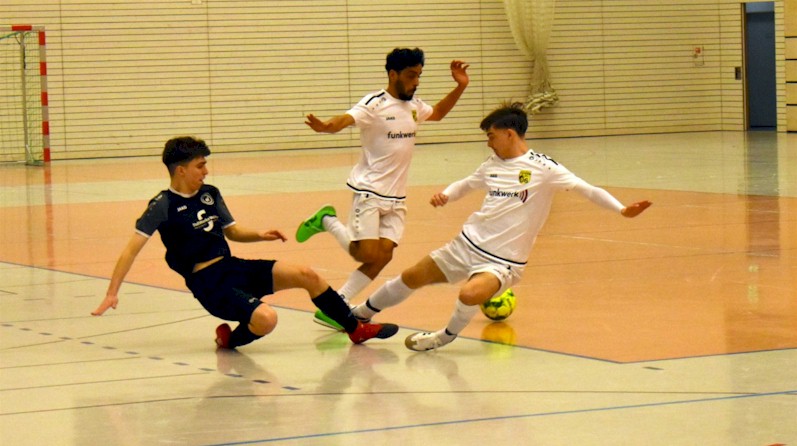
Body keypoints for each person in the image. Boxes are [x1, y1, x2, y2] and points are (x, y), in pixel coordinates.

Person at [348, 102, 652, 351]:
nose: (488, 142)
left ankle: (444, 336)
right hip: (466, 245)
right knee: (411, 276)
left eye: (491, 136)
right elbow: (467, 184)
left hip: (503, 261)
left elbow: (588, 190)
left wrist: (622, 209)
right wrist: (447, 195)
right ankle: (359, 314)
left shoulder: (544, 168)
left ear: (509, 134)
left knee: (469, 294)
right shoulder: (491, 165)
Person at [91, 136, 398, 349]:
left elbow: (233, 232)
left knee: (307, 274)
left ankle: (355, 330)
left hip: (232, 267)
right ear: (180, 170)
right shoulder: (162, 205)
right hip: (208, 284)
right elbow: (131, 249)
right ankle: (230, 340)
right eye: (200, 165)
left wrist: (260, 234)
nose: (206, 170)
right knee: (267, 319)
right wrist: (111, 292)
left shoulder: (210, 192)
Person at [296, 47, 470, 329]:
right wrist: (326, 127)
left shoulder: (414, 106)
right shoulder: (375, 103)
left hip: (397, 196)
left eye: (419, 76)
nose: (416, 82)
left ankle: (337, 304)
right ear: (393, 74)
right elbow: (346, 119)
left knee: (384, 256)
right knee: (365, 254)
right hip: (370, 191)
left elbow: (437, 113)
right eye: (411, 76)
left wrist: (460, 87)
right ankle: (325, 220)